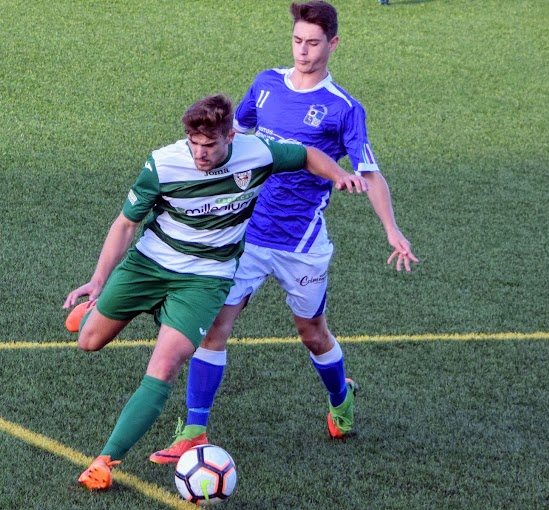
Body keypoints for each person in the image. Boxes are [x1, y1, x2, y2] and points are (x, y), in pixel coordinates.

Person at [149, 1, 418, 465]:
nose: (303, 51)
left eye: (313, 43)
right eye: (297, 41)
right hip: (247, 235)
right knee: (215, 326)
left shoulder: (344, 108)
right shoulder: (266, 84)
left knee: (313, 334)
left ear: (332, 44)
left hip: (300, 246)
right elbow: (235, 139)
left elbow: (370, 172)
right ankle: (194, 430)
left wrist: (392, 230)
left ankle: (341, 397)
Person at [63, 93, 369, 490]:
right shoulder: (163, 164)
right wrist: (98, 281)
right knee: (89, 343)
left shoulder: (256, 152)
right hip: (149, 265)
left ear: (230, 137)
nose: (201, 154)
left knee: (165, 367)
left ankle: (105, 461)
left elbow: (308, 154)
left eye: (209, 146)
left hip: (206, 279)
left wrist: (337, 176)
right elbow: (125, 224)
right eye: (194, 144)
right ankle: (97, 311)